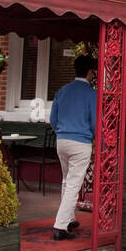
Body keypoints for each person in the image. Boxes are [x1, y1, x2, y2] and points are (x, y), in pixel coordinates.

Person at [49, 55, 97, 241]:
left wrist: (62, 131)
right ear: (90, 72)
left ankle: (68, 218)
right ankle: (60, 226)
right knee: (73, 185)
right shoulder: (91, 94)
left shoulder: (62, 91)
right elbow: (94, 122)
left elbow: (53, 119)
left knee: (66, 181)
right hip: (80, 142)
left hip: (61, 140)